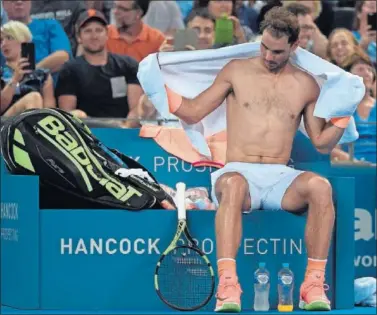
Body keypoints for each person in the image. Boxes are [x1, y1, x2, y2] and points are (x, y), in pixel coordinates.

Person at [164, 6, 352, 312]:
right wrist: (160, 82)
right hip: (238, 172)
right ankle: (228, 286)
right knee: (234, 187)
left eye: (277, 51)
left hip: (280, 177)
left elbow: (320, 143)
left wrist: (342, 119)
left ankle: (312, 285)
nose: (268, 56)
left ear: (295, 46)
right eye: (264, 46)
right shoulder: (236, 70)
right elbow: (194, 111)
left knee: (320, 188)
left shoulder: (307, 85)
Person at [56, 10, 143, 125]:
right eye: (87, 31)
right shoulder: (69, 70)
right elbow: (68, 114)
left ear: (107, 34)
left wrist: (124, 130)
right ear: (79, 37)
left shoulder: (127, 65)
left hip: (123, 131)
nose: (94, 36)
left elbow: (135, 109)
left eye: (99, 30)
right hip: (87, 133)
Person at [1, 20, 55, 116]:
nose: (4, 44)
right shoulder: (1, 73)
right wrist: (14, 79)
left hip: (35, 121)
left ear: (24, 41)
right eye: (1, 40)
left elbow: (50, 112)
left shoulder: (42, 76)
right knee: (33, 97)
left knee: (79, 115)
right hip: (5, 125)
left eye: (9, 38)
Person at [332, 56, 376, 164]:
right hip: (352, 167)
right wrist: (356, 163)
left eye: (370, 70)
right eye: (361, 69)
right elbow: (333, 149)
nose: (367, 73)